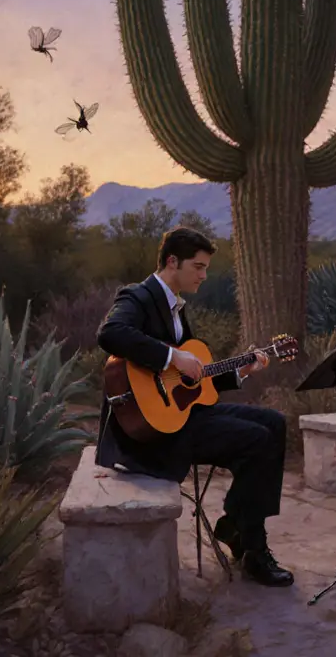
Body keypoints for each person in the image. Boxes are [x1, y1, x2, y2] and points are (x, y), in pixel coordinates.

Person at [94, 226, 294, 587]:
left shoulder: (176, 308)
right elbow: (110, 333)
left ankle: (235, 525)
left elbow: (193, 381)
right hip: (150, 432)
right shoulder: (138, 297)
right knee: (257, 440)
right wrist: (172, 356)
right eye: (198, 267)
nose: (204, 275)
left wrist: (241, 370)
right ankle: (251, 546)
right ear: (173, 262)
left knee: (274, 423)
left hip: (181, 415)